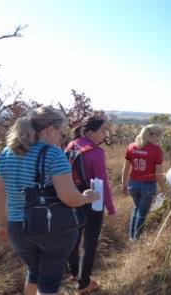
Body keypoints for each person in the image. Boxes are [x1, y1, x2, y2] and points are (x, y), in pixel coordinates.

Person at [0, 106, 99, 295]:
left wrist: (2, 224)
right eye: (60, 131)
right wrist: (85, 197)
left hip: (17, 227)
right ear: (49, 129)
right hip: (51, 227)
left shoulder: (5, 154)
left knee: (34, 272)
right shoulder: (53, 154)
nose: (61, 136)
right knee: (49, 282)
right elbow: (68, 197)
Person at [66, 114, 116, 294]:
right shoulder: (95, 152)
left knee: (74, 238)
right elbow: (103, 185)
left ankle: (74, 273)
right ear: (90, 131)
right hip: (92, 202)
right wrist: (111, 209)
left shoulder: (72, 145)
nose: (106, 133)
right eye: (102, 130)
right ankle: (84, 283)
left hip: (71, 197)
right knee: (89, 243)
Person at [121, 124, 167, 241]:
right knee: (142, 213)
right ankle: (136, 239)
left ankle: (132, 237)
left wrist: (123, 184)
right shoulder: (156, 150)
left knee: (136, 209)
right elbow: (158, 174)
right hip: (148, 186)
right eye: (158, 136)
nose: (158, 139)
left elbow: (126, 169)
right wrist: (164, 189)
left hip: (133, 184)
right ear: (151, 135)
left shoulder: (132, 146)